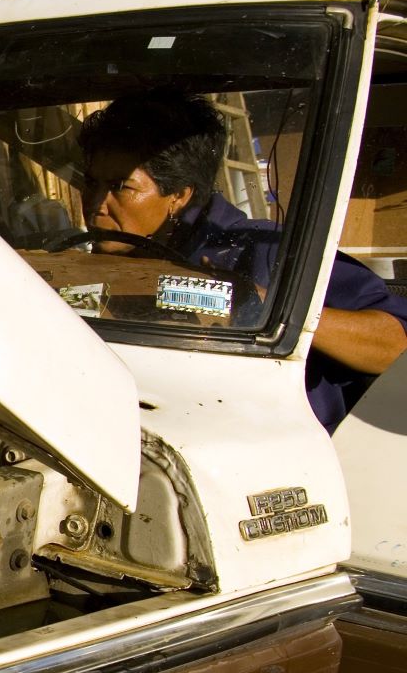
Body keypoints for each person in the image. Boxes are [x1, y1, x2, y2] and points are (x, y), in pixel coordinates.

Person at [78, 90, 407, 430]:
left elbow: (396, 345)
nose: (96, 203)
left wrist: (269, 309)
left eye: (120, 186)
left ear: (179, 195)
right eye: (91, 183)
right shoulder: (99, 266)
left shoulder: (268, 249)